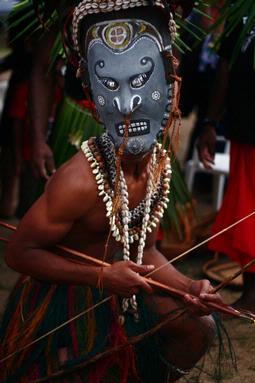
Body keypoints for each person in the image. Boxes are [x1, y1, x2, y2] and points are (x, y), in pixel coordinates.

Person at [0, 2, 223, 382]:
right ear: (91, 93)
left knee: (198, 327)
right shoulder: (79, 181)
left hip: (120, 291)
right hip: (65, 302)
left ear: (171, 86)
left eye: (140, 82)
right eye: (109, 86)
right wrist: (102, 278)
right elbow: (19, 253)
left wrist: (190, 287)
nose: (125, 105)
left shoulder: (157, 166)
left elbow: (147, 249)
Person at [198, 19, 255, 312]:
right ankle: (252, 294)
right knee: (245, 213)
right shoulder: (243, 12)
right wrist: (210, 122)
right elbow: (225, 67)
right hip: (245, 129)